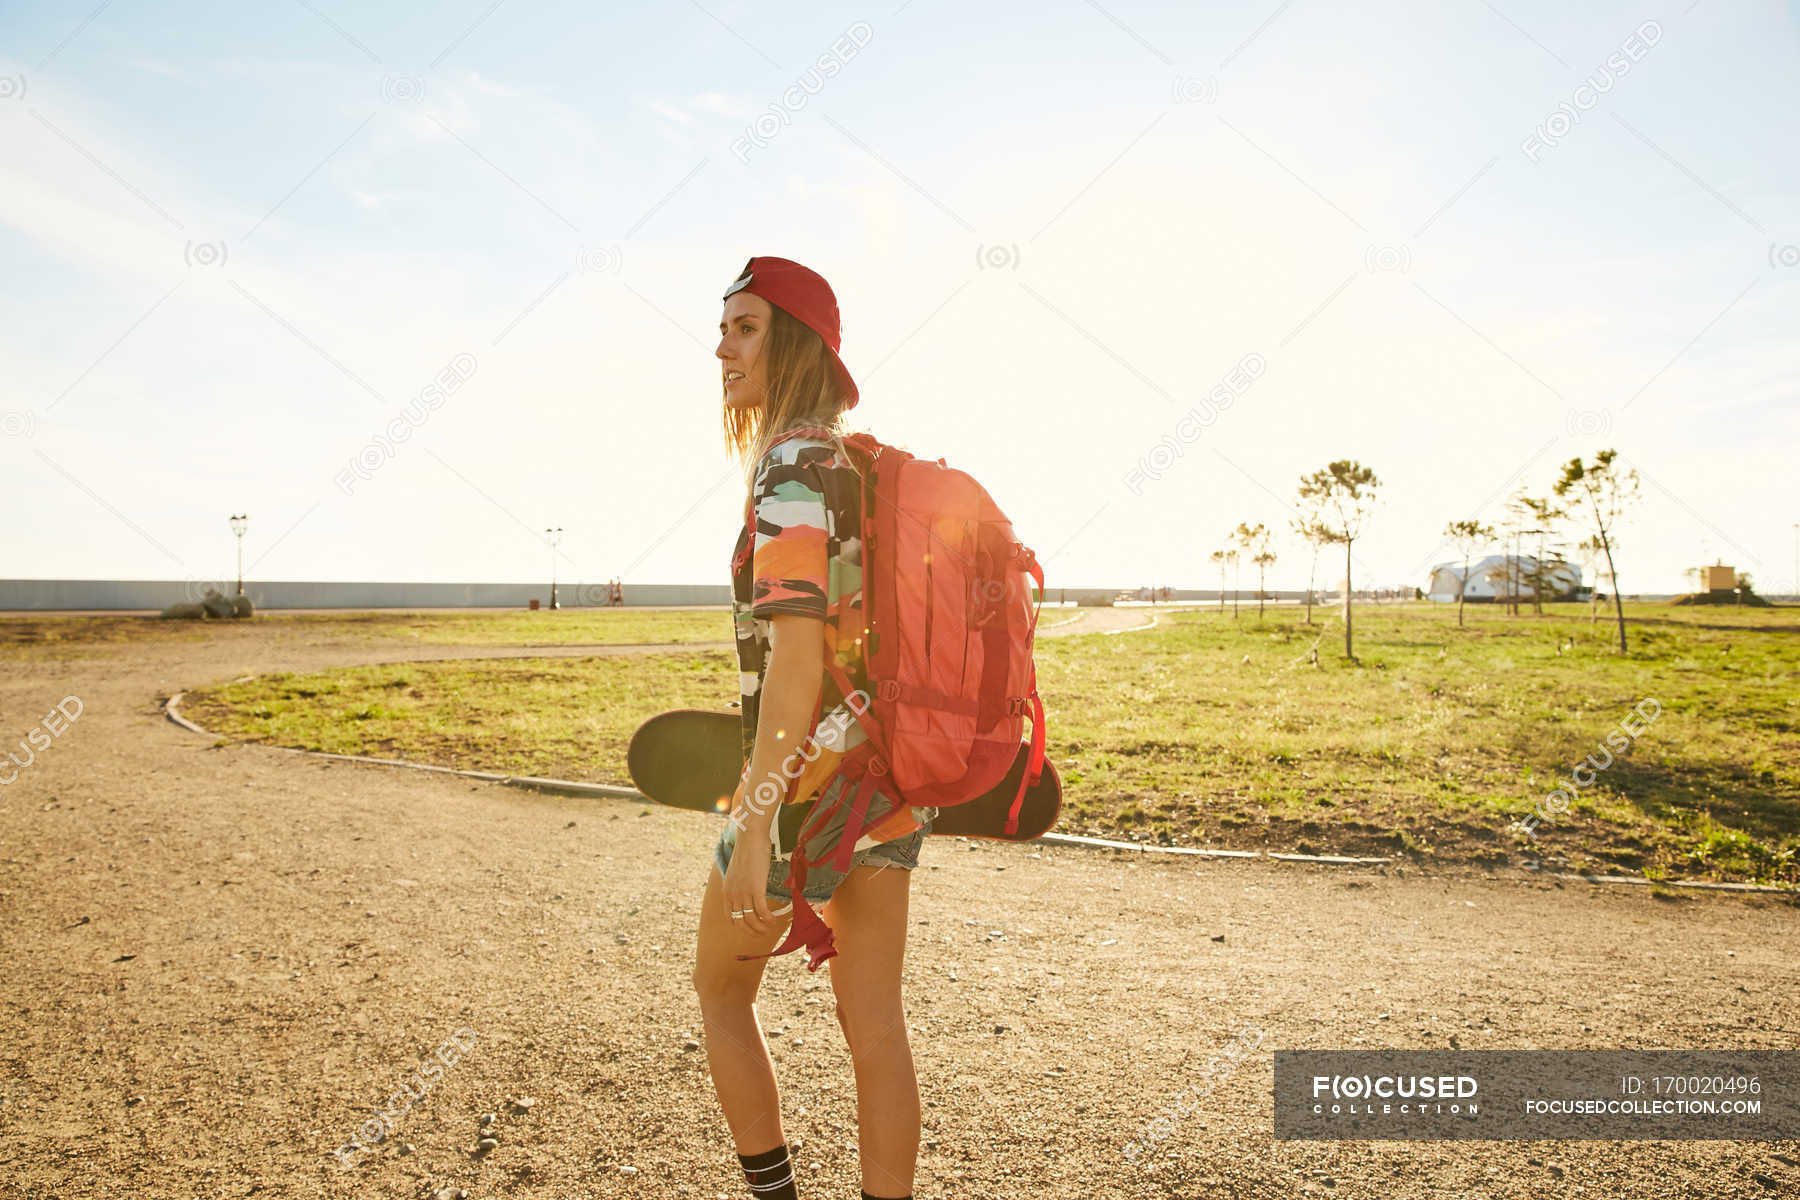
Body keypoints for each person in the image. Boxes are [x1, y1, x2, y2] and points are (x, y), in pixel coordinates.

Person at [691, 256, 930, 1200]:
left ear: (793, 343)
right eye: (722, 328)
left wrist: (755, 823)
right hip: (885, 787)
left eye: (745, 327)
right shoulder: (859, 469)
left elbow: (795, 661)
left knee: (720, 990)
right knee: (874, 1028)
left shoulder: (790, 466)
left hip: (799, 793)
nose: (722, 347)